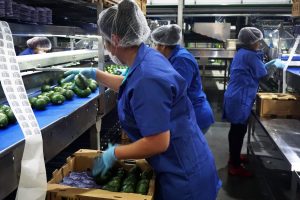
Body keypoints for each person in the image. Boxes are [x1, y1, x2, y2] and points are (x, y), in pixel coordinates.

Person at [63, 0, 221, 199]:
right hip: (185, 159)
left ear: (115, 39)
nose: (106, 47)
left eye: (105, 41)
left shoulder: (148, 76)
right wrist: (96, 74)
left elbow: (158, 143)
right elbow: (132, 86)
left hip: (183, 177)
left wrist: (115, 153)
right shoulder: (147, 57)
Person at [151, 24, 214, 133]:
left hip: (196, 115)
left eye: (155, 45)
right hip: (186, 114)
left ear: (163, 46)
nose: (153, 48)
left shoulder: (182, 60)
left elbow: (176, 91)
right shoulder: (173, 56)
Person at [223, 27, 267, 177]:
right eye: (258, 41)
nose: (259, 44)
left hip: (235, 95)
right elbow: (263, 73)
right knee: (238, 131)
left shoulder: (242, 53)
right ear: (252, 42)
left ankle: (233, 157)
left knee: (235, 130)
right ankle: (235, 166)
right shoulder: (250, 56)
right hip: (240, 97)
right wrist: (274, 64)